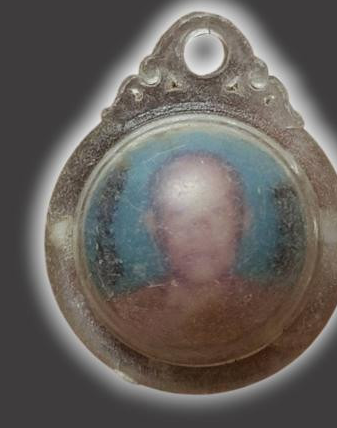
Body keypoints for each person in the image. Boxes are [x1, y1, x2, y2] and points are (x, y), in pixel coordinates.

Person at [97, 151, 289, 366]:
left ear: (244, 220)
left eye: (217, 211)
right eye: (179, 213)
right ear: (154, 226)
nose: (199, 230)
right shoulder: (116, 320)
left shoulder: (282, 316)